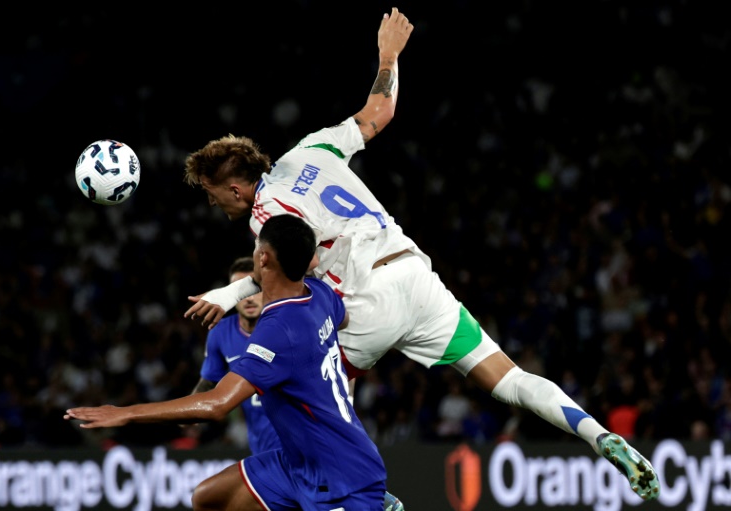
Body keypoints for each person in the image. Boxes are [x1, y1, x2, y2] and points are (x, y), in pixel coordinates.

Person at [182, 6, 660, 501]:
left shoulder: (265, 215)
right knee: (509, 378)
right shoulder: (312, 149)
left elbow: (287, 266)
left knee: (289, 383)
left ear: (236, 189)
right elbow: (379, 113)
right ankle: (597, 434)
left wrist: (230, 290)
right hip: (417, 276)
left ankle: (368, 492)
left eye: (212, 194)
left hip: (367, 303)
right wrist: (388, 54)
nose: (213, 203)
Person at [66, 214, 390, 510]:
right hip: (296, 463)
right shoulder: (319, 293)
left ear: (262, 257)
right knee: (209, 499)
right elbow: (343, 318)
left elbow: (217, 405)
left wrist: (126, 414)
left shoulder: (279, 330)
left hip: (342, 479)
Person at [190, 256, 405, 510]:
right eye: (239, 293)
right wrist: (191, 409)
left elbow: (335, 360)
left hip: (303, 445)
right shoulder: (220, 335)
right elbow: (209, 382)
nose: (248, 299)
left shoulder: (287, 327)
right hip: (265, 449)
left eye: (251, 292)